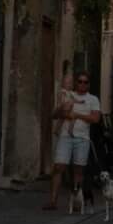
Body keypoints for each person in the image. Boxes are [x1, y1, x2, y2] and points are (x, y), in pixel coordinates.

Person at [44, 72, 102, 211]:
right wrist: (61, 110)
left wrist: (77, 115)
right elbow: (53, 115)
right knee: (58, 167)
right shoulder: (67, 95)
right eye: (80, 81)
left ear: (89, 84)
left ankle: (76, 201)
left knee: (78, 171)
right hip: (65, 137)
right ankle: (52, 201)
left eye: (85, 82)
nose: (82, 84)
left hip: (82, 139)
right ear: (76, 83)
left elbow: (95, 119)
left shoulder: (93, 99)